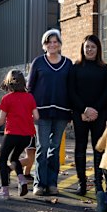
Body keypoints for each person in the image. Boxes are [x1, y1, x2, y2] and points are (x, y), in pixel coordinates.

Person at [27, 29, 72, 196]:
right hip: (41, 113)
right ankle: (39, 183)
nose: (52, 45)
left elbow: (71, 89)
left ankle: (52, 183)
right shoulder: (38, 62)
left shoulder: (68, 63)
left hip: (62, 112)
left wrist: (72, 113)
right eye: (49, 42)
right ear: (44, 45)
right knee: (43, 147)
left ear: (60, 44)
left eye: (55, 41)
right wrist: (32, 111)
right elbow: (30, 89)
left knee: (55, 148)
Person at [68, 35, 107, 195]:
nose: (89, 49)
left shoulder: (104, 68)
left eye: (93, 47)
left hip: (98, 115)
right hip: (80, 114)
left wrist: (95, 110)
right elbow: (71, 91)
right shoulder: (75, 68)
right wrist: (83, 110)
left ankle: (98, 183)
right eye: (87, 46)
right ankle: (82, 184)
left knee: (98, 148)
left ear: (98, 49)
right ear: (82, 48)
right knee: (80, 148)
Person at [0, 70, 40, 200]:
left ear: (8, 82)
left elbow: (1, 119)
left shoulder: (7, 98)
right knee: (14, 158)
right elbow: (36, 116)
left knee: (2, 159)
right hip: (27, 135)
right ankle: (21, 179)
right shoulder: (30, 97)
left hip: (12, 134)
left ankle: (4, 190)